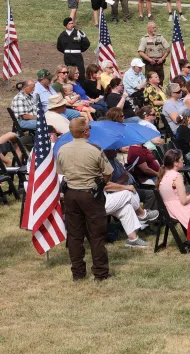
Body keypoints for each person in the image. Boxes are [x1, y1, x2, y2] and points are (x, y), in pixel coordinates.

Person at [56, 118, 117, 280]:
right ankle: (101, 273)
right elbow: (107, 173)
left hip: (70, 194)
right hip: (90, 194)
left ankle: (78, 273)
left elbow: (61, 171)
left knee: (75, 235)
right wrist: (100, 183)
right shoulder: (94, 150)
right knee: (96, 235)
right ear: (86, 132)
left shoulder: (62, 149)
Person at [157, 149, 190, 253]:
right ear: (175, 163)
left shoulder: (164, 174)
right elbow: (184, 201)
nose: (184, 162)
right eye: (181, 160)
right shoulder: (177, 176)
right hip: (178, 208)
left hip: (169, 209)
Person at [103, 148, 156, 248]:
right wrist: (126, 186)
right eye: (113, 149)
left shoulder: (112, 161)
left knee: (126, 207)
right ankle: (142, 214)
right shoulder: (95, 165)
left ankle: (133, 239)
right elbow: (105, 186)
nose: (116, 150)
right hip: (96, 202)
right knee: (127, 193)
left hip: (104, 198)